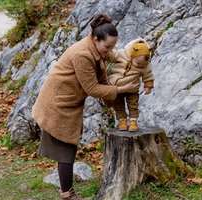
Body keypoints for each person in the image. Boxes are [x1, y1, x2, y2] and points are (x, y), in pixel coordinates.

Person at [31, 14, 138, 200]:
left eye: (113, 46)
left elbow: (110, 55)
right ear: (96, 39)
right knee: (65, 150)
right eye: (107, 47)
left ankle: (67, 192)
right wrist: (123, 88)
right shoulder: (82, 54)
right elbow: (93, 88)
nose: (110, 51)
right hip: (58, 104)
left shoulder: (94, 46)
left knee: (67, 148)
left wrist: (128, 61)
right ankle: (67, 194)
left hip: (67, 101)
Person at [108, 38, 154, 132]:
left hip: (132, 89)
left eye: (143, 65)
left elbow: (148, 75)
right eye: (138, 63)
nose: (140, 66)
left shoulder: (145, 65)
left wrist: (148, 86)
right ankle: (122, 121)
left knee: (133, 105)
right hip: (118, 87)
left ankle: (133, 121)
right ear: (132, 55)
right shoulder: (122, 55)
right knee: (118, 105)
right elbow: (113, 55)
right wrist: (109, 51)